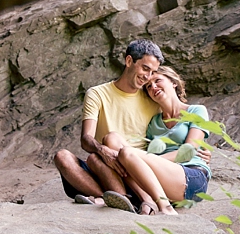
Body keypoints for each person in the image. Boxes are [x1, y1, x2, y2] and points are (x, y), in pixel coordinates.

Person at [53, 39, 163, 212]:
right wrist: (102, 150)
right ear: (129, 61)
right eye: (145, 68)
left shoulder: (152, 100)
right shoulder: (97, 93)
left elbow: (173, 124)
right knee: (63, 157)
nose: (148, 77)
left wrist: (195, 150)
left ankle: (122, 198)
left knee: (98, 155)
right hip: (104, 169)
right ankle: (113, 199)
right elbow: (86, 139)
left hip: (135, 174)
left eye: (153, 72)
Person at [102, 66, 212, 216]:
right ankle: (147, 200)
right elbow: (148, 156)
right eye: (148, 86)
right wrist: (144, 162)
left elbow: (189, 150)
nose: (153, 87)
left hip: (191, 177)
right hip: (162, 181)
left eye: (158, 80)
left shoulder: (196, 110)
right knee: (111, 138)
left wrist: (145, 162)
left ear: (173, 82)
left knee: (128, 154)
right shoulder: (154, 123)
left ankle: (166, 208)